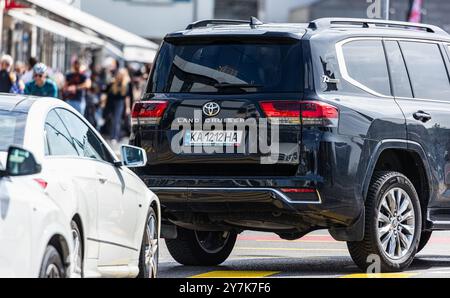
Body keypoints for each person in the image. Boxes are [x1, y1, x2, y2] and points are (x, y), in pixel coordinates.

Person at [102, 68, 132, 145]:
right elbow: (107, 92)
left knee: (117, 120)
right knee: (112, 119)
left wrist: (128, 108)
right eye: (119, 74)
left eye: (121, 74)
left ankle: (115, 136)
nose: (119, 75)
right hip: (112, 102)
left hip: (120, 103)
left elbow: (127, 97)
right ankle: (111, 135)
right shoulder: (113, 82)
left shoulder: (126, 83)